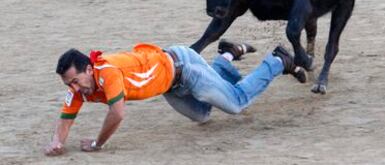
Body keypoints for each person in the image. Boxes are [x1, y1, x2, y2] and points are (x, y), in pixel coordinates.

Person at [44, 39, 306, 156]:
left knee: (236, 103)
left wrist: (97, 144)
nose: (74, 89)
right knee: (202, 115)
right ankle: (227, 55)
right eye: (70, 84)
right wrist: (57, 142)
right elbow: (66, 117)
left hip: (184, 69)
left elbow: (117, 113)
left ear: (88, 69)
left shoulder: (107, 73)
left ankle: (277, 60)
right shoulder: (81, 86)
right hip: (170, 84)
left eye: (75, 82)